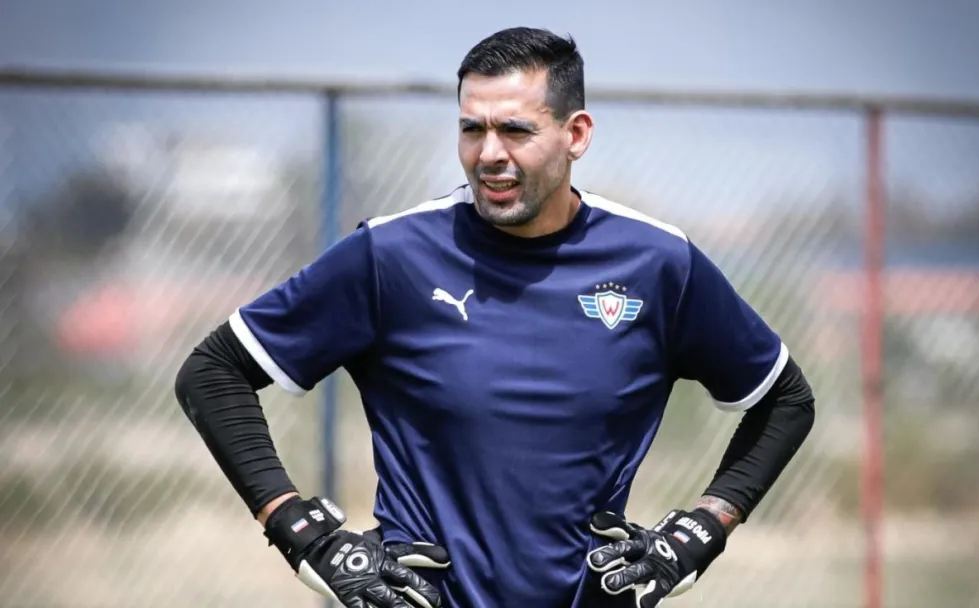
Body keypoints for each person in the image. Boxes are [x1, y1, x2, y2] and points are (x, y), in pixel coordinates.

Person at [174, 26, 816, 608]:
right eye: (471, 129)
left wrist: (702, 531)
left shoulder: (658, 263)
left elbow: (784, 398)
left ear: (577, 134)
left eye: (515, 130)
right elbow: (214, 372)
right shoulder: (392, 255)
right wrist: (302, 532)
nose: (488, 154)